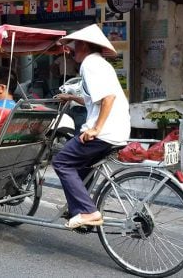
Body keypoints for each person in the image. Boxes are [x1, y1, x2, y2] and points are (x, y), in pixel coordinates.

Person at [52, 24, 130, 229]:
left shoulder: (90, 64)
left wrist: (95, 128)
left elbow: (108, 98)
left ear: (84, 45)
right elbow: (94, 99)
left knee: (61, 162)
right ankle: (79, 210)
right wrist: (71, 97)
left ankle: (87, 211)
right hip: (118, 131)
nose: (72, 49)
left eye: (75, 45)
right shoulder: (100, 64)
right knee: (81, 165)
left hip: (104, 132)